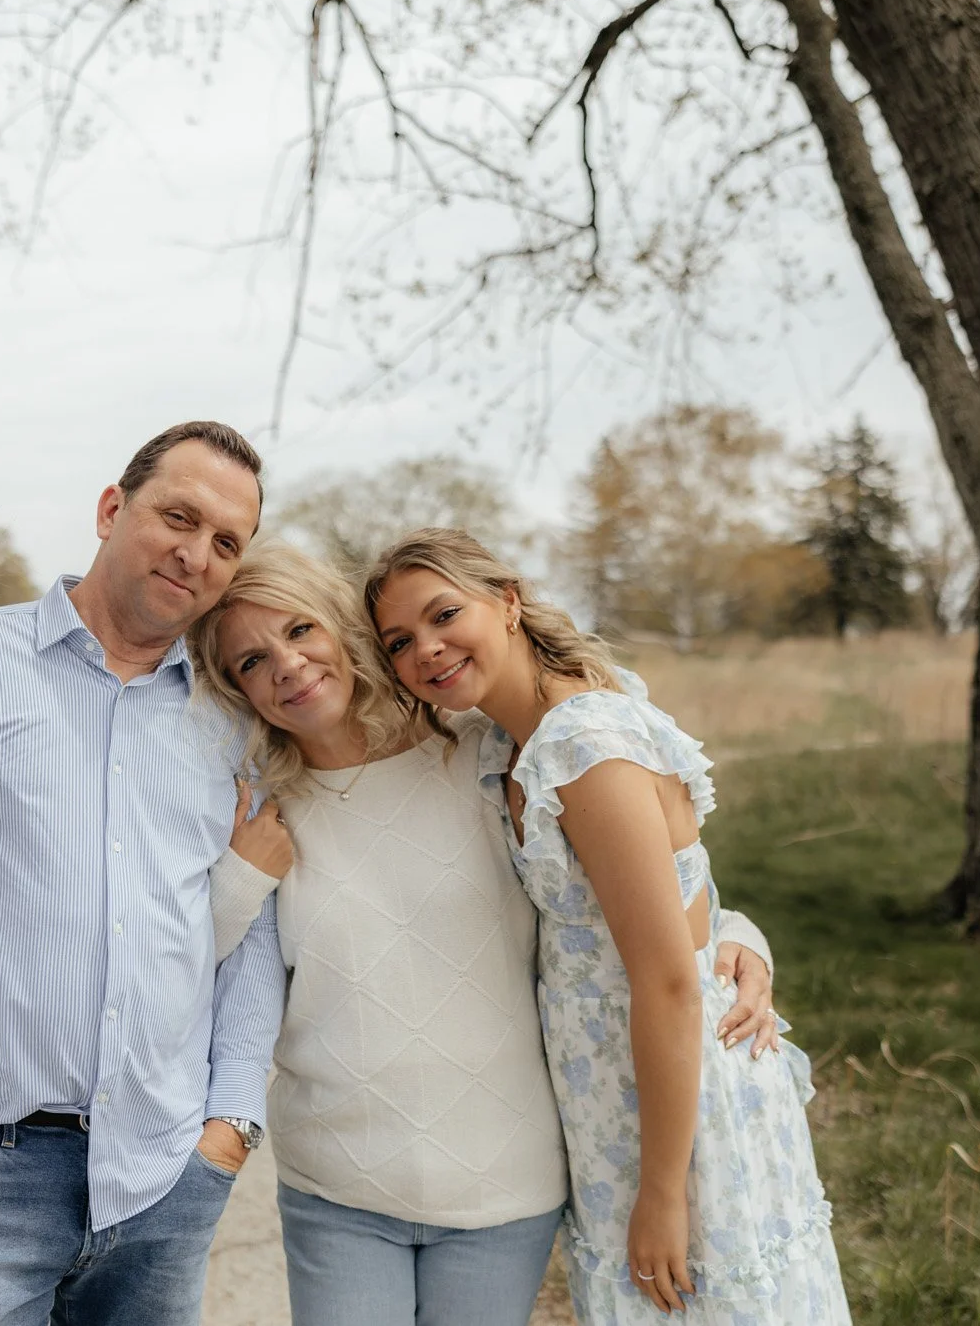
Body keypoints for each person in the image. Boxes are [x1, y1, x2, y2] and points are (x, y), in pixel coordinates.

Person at [190, 540, 782, 1325]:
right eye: (252, 662)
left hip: (503, 1185)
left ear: (339, 626)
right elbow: (195, 965)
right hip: (337, 1186)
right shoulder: (261, 810)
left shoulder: (485, 759)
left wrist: (740, 938)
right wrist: (240, 874)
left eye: (300, 631)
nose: (288, 665)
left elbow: (622, 887)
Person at [368, 529, 850, 1324]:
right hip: (614, 1103)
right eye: (399, 641)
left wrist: (663, 1191)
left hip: (676, 1110)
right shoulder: (508, 740)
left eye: (444, 613)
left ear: (509, 602)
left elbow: (665, 977)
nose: (427, 647)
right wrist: (743, 937)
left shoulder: (585, 745)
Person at [0, 421, 285, 1326]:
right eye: (179, 515)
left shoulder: (233, 716)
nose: (196, 552)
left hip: (163, 1177)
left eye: (226, 542)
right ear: (110, 509)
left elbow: (254, 936)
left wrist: (228, 1130)